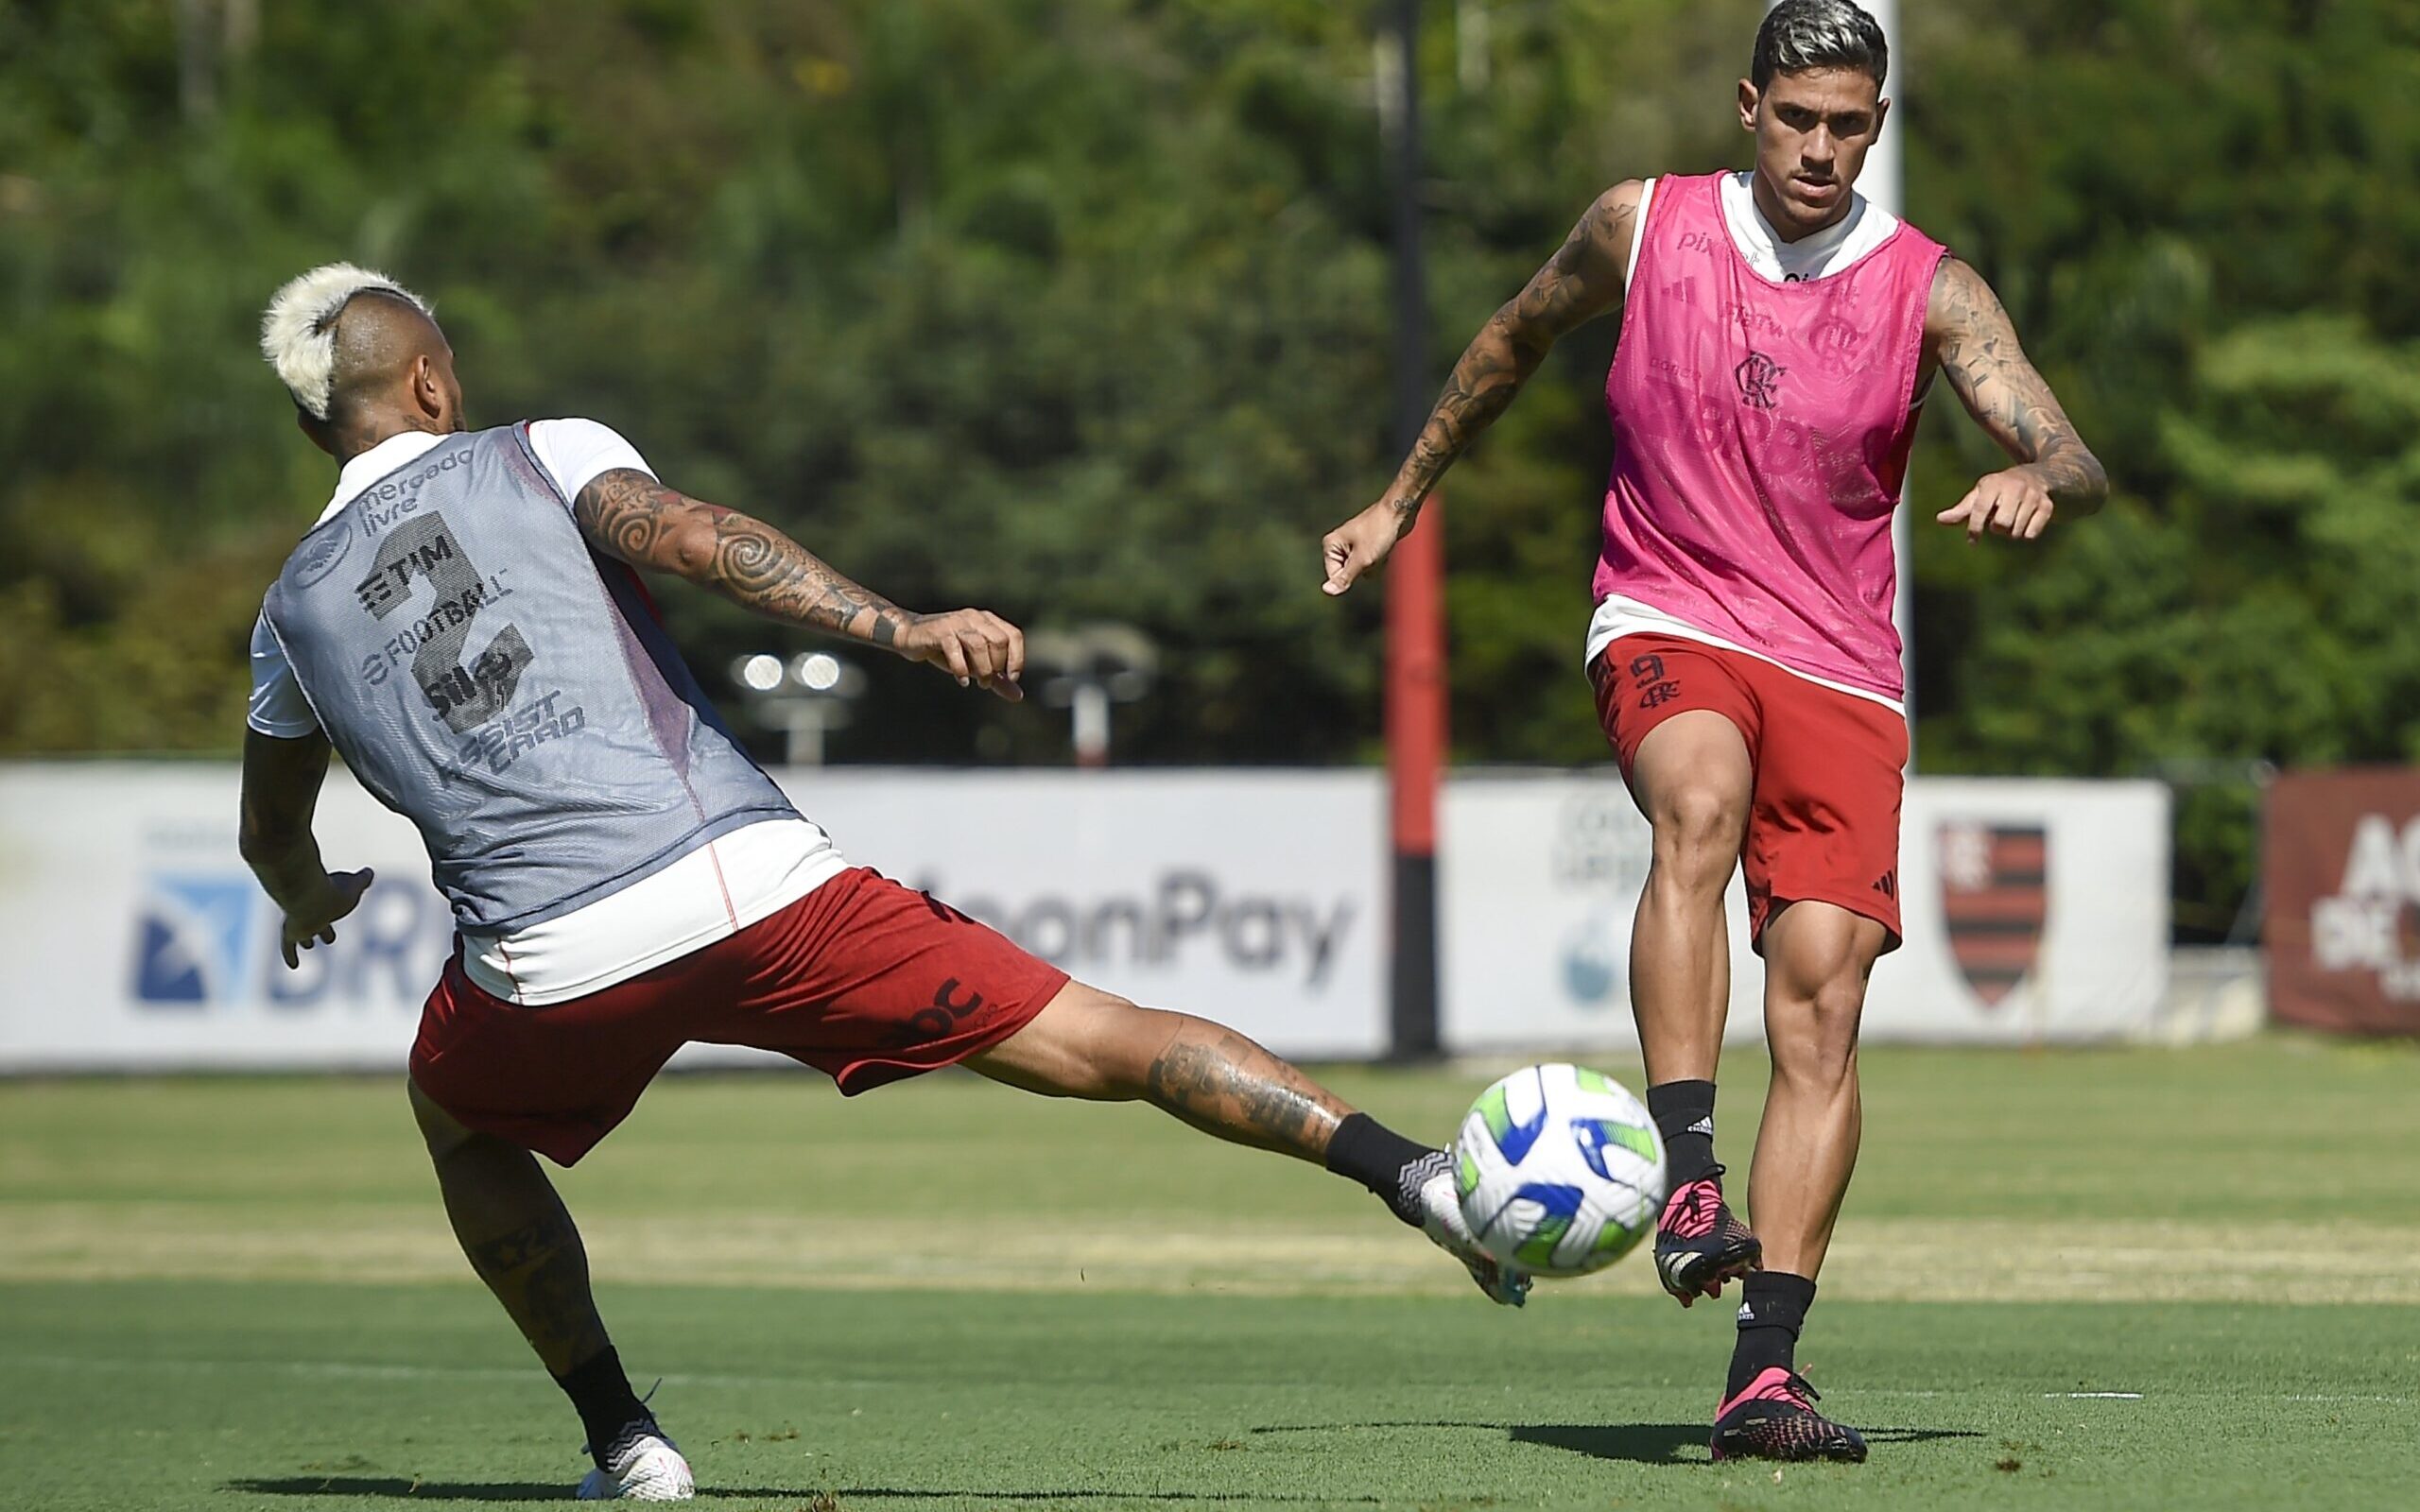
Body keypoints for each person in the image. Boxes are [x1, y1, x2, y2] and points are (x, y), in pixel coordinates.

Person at [238, 264, 1526, 1503]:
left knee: (458, 1122)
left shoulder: (292, 612)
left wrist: (305, 894)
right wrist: (904, 629)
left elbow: (271, 831)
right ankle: (1408, 1175)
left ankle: (628, 1441)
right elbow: (692, 538)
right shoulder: (538, 448)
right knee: (1102, 1036)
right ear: (425, 386)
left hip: (546, 964)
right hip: (753, 884)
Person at [1319, 0, 2105, 1464]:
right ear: (1750, 106)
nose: (1821, 148)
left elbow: (2066, 441)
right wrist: (1397, 501)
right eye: (1797, 118)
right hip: (1668, 612)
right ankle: (1689, 1172)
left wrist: (2040, 480)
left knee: (1824, 998)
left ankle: (1766, 1371)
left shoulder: (1929, 288)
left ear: (1876, 124)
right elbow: (1510, 342)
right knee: (1698, 802)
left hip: (1845, 669)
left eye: (1849, 125)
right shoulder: (1643, 226)